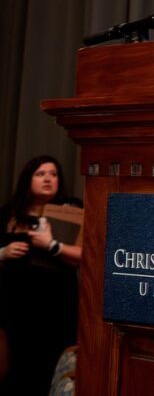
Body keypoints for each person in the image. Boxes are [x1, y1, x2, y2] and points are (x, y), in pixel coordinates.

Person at [0, 156, 82, 396]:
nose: (48, 179)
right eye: (40, 173)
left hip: (55, 304)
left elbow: (85, 256)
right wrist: (2, 253)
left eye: (53, 174)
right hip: (14, 303)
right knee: (14, 369)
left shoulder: (71, 209)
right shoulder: (8, 214)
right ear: (28, 179)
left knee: (49, 367)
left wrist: (51, 245)